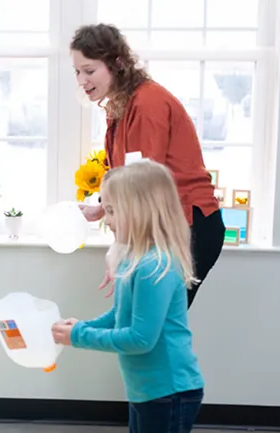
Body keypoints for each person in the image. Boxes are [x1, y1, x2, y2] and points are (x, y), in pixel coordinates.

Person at [71, 23, 225, 308]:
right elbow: (122, 174)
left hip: (189, 225)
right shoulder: (120, 106)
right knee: (148, 325)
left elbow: (141, 183)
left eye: (89, 71)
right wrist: (102, 207)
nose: (81, 79)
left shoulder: (146, 105)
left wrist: (117, 251)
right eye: (77, 71)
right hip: (165, 224)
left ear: (117, 64)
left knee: (154, 326)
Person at [52, 160, 204, 433]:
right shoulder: (135, 259)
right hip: (147, 390)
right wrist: (82, 326)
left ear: (141, 210)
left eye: (111, 210)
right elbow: (119, 314)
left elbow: (141, 339)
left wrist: (78, 336)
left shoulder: (155, 266)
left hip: (169, 391)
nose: (106, 219)